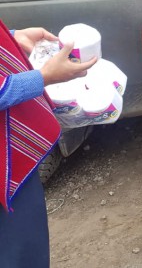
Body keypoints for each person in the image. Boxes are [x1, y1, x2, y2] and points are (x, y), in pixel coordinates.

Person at [0, 24, 97, 267]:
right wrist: (43, 77)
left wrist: (11, 37)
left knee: (29, 243)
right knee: (18, 253)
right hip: (5, 169)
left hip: (14, 158)